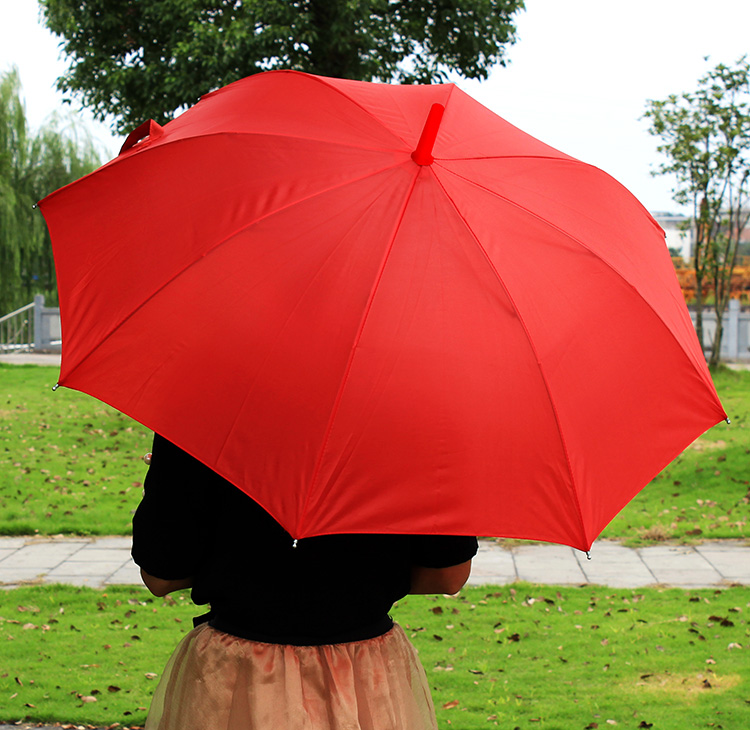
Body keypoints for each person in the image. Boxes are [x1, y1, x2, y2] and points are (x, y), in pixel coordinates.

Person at [131, 433, 477, 730]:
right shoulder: (418, 424)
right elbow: (448, 575)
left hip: (239, 675)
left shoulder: (202, 416)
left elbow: (161, 578)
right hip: (363, 678)